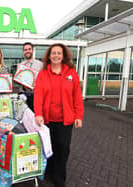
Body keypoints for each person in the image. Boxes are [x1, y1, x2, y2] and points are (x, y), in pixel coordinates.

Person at [34, 43, 84, 187]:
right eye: (53, 53)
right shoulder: (43, 74)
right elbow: (38, 96)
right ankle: (49, 171)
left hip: (65, 120)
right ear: (49, 56)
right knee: (49, 147)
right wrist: (38, 114)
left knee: (63, 148)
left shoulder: (71, 73)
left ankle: (59, 179)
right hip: (47, 120)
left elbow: (77, 96)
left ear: (63, 56)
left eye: (59, 53)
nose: (56, 55)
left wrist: (79, 116)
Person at [18, 42, 43, 111]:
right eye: (25, 50)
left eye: (29, 49)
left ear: (32, 50)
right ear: (23, 52)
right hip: (23, 94)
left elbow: (43, 80)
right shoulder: (20, 65)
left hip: (36, 95)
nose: (27, 51)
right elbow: (19, 80)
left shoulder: (40, 64)